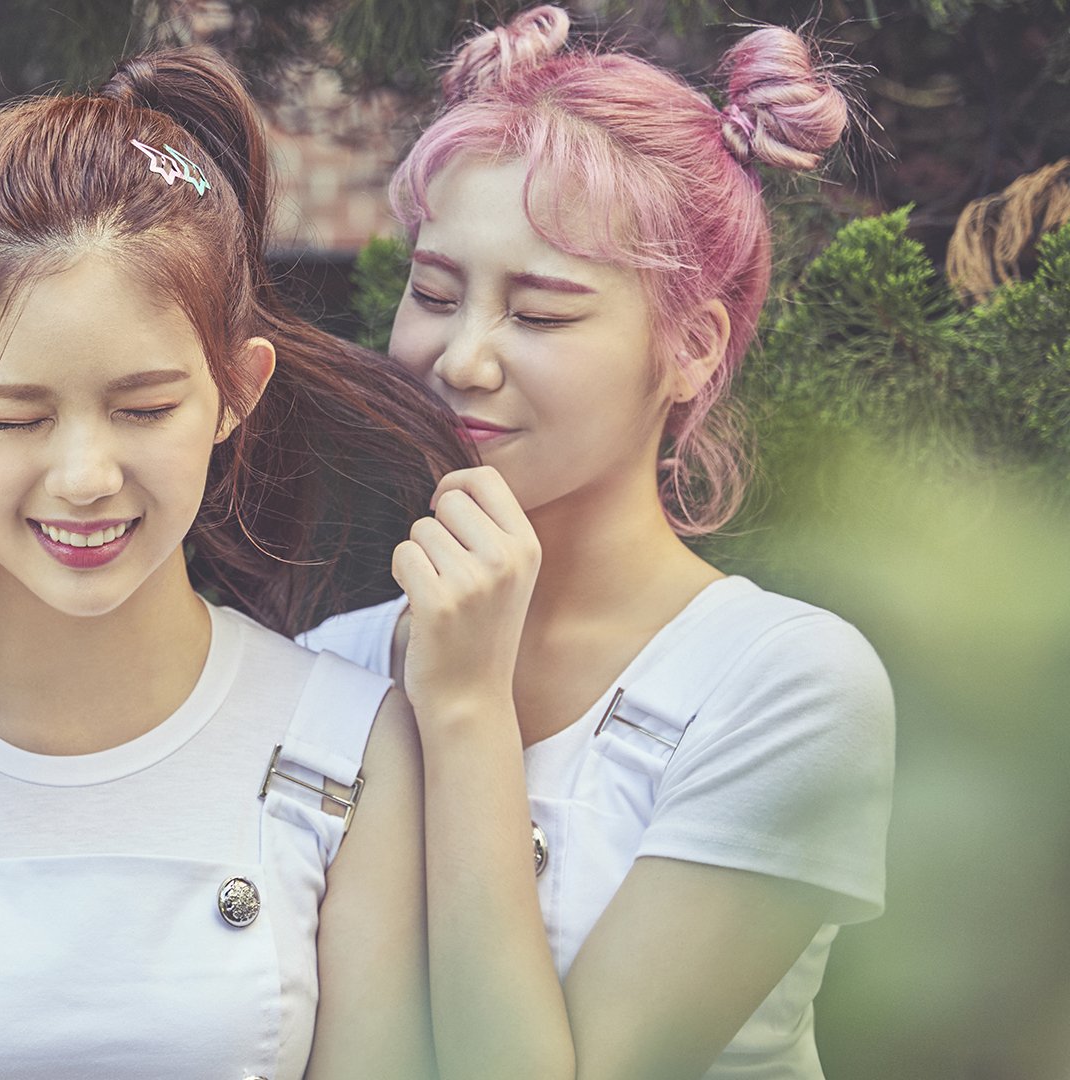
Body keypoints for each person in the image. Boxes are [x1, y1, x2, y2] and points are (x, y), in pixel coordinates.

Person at [0, 48, 471, 1080]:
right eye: (18, 418)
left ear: (237, 388)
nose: (86, 478)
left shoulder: (350, 744)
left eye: (144, 409)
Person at [298, 8, 896, 1078]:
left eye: (539, 315)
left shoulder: (788, 686)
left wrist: (467, 706)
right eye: (433, 293)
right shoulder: (323, 668)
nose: (461, 360)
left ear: (691, 347)